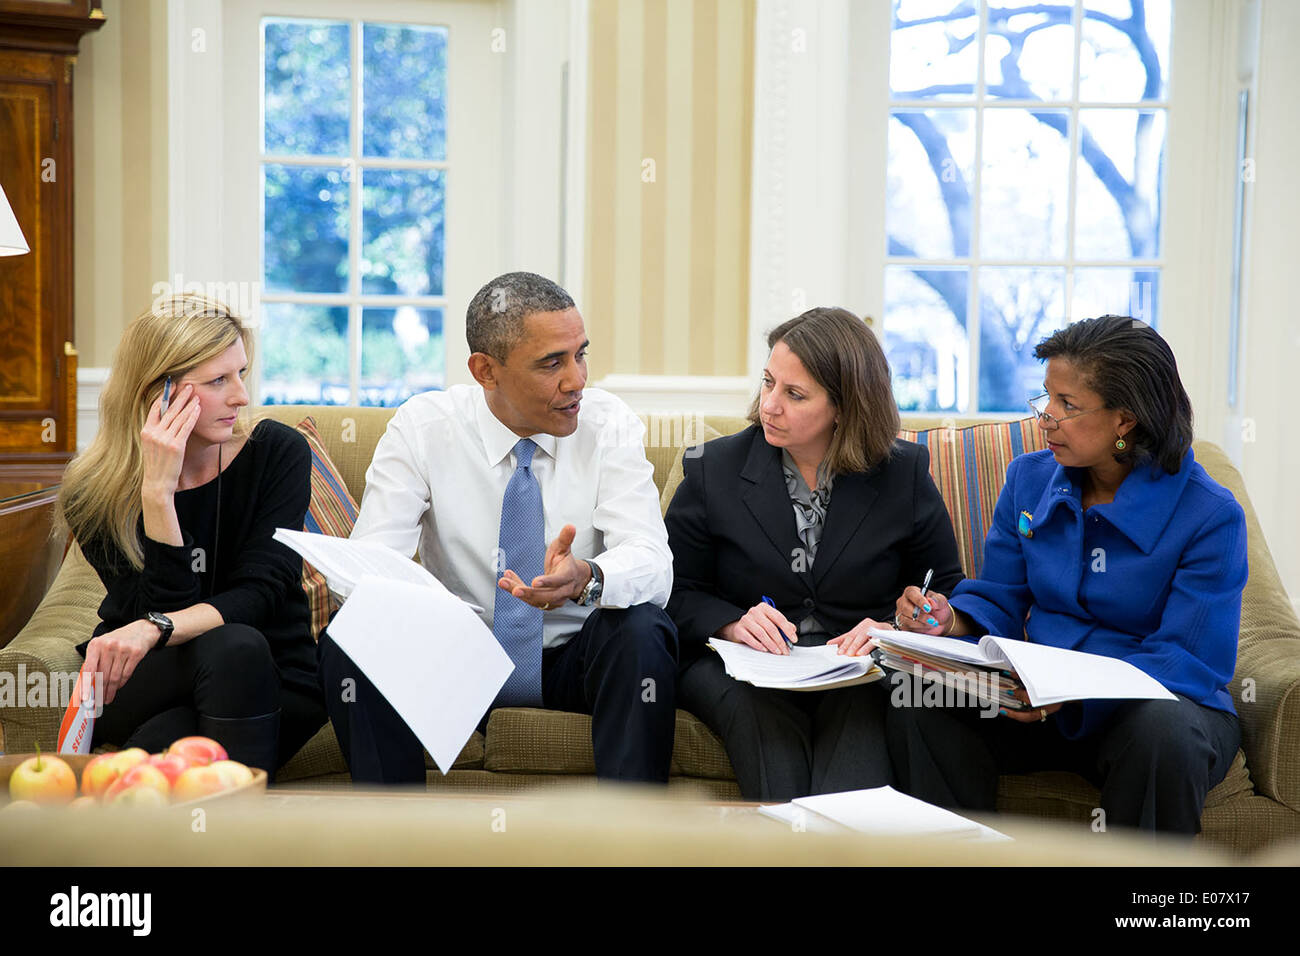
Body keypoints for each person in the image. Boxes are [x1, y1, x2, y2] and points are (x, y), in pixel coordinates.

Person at [887, 315, 1247, 835]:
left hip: (1150, 707)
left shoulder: (1210, 515)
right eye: (1046, 398)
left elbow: (1188, 660)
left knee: (1165, 735)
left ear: (1126, 419)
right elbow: (1000, 598)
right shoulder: (1028, 479)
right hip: (1038, 700)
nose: (1046, 418)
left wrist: (1074, 689)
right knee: (918, 696)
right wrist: (950, 621)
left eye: (1067, 406)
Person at [317, 271, 678, 784]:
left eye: (581, 354)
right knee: (349, 637)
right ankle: (393, 842)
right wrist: (433, 612)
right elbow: (364, 574)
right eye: (552, 363)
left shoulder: (608, 424)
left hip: (574, 660)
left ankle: (631, 846)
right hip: (459, 664)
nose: (576, 380)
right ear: (486, 371)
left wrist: (587, 577)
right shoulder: (423, 428)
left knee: (642, 628)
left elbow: (652, 563)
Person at [664, 307, 964, 801]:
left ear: (845, 407)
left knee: (857, 748)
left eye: (794, 394)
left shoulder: (902, 473)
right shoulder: (711, 469)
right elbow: (672, 590)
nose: (770, 406)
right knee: (766, 733)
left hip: (859, 672)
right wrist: (731, 623)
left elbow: (943, 588)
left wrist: (908, 621)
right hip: (744, 671)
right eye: (767, 383)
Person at [58, 294, 327, 776]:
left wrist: (155, 626)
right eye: (218, 380)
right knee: (226, 651)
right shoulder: (93, 491)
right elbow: (154, 611)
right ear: (157, 395)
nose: (241, 396)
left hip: (272, 675)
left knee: (177, 722)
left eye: (241, 373)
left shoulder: (277, 454)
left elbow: (262, 593)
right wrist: (158, 494)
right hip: (154, 674)